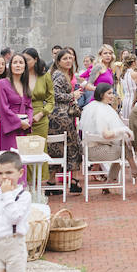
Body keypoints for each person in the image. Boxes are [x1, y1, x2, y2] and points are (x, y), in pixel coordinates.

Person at [80, 83, 132, 182]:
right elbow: (105, 134)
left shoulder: (92, 106)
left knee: (124, 146)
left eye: (112, 93)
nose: (112, 96)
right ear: (101, 94)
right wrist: (122, 130)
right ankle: (132, 171)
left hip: (89, 149)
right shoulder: (101, 110)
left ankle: (116, 177)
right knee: (124, 150)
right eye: (109, 93)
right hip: (96, 151)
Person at [47, 48, 82, 181]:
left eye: (70, 58)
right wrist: (72, 95)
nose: (68, 61)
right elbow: (54, 95)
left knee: (57, 147)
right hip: (61, 116)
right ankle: (75, 180)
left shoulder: (62, 74)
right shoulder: (59, 75)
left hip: (59, 116)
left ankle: (52, 181)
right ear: (58, 61)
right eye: (65, 58)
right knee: (73, 146)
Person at [0, 53, 34, 154]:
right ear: (10, 66)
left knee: (22, 159)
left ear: (25, 66)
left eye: (21, 63)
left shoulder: (25, 85)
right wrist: (19, 122)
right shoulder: (2, 83)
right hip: (10, 128)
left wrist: (28, 122)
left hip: (23, 128)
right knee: (10, 160)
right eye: (15, 62)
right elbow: (3, 108)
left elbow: (29, 107)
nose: (18, 65)